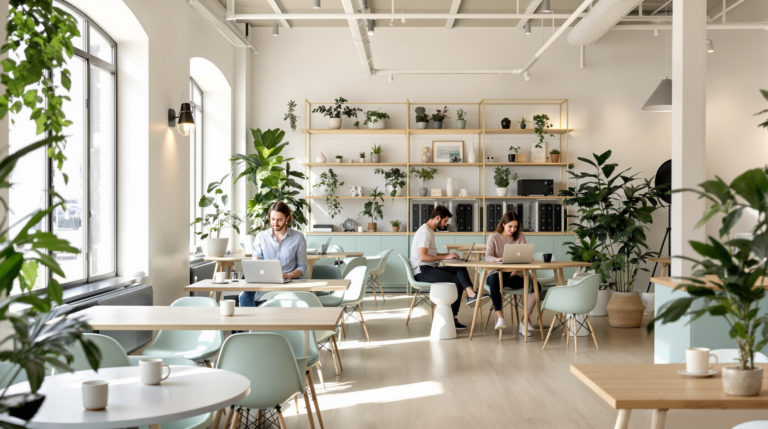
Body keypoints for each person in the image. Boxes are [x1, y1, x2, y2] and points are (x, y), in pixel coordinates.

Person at [410, 205, 481, 330]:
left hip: (429, 268)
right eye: (445, 221)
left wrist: (447, 256)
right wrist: (445, 258)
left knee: (460, 267)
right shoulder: (425, 232)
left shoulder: (429, 231)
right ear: (438, 218)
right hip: (423, 271)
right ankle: (453, 317)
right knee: (456, 280)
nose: (445, 224)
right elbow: (423, 257)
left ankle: (471, 294)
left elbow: (430, 254)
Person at [239, 202, 307, 307]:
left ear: (287, 219)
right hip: (265, 283)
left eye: (279, 220)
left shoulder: (298, 237)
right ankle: (251, 323)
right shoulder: (261, 237)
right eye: (272, 219)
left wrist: (289, 275)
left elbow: (302, 267)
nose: (275, 223)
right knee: (244, 296)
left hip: (289, 283)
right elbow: (256, 262)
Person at [484, 210, 541, 333]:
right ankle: (500, 318)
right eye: (510, 226)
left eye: (515, 227)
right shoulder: (493, 237)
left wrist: (516, 270)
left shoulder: (520, 237)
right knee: (494, 282)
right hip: (497, 273)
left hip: (515, 274)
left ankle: (524, 320)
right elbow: (487, 257)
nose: (512, 229)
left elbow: (526, 256)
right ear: (503, 224)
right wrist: (497, 259)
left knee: (536, 286)